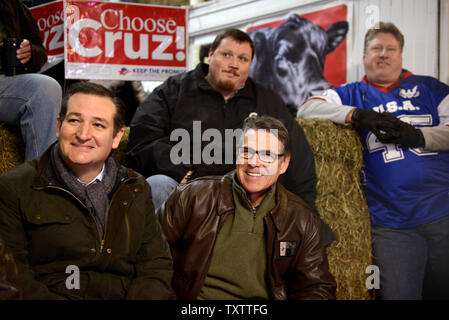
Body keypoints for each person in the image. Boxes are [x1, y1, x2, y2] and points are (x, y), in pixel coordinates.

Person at [298, 22, 449, 300]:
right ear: (364, 56)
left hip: (443, 211)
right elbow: (307, 109)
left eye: (390, 49)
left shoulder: (431, 88)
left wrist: (416, 136)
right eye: (376, 48)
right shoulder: (352, 92)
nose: (383, 54)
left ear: (401, 55)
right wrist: (357, 116)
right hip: (392, 224)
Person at [0, 82, 173, 299]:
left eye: (98, 125)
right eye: (74, 121)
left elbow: (155, 266)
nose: (83, 134)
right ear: (58, 126)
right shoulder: (13, 187)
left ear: (117, 137)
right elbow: (14, 276)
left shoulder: (136, 187)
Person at [127, 28, 317, 213]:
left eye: (242, 59)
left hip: (244, 190)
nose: (234, 64)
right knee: (158, 185)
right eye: (226, 55)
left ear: (249, 65)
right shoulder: (175, 90)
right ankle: (157, 246)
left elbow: (297, 154)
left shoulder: (267, 101)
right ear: (210, 55)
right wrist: (182, 171)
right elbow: (144, 135)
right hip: (184, 183)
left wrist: (306, 211)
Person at [158, 114, 336, 300]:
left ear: (284, 164)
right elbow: (148, 258)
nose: (253, 162)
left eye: (267, 155)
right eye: (246, 151)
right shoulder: (192, 197)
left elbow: (317, 287)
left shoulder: (301, 220)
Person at [0, 0, 62, 161]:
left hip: (6, 82)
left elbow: (40, 50)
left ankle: (41, 179)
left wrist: (30, 52)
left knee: (46, 87)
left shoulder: (13, 5)